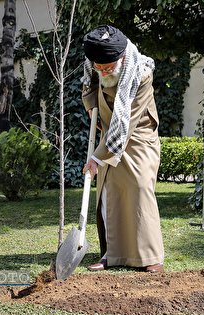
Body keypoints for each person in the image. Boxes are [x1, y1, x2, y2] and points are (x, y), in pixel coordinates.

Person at [81, 25, 164, 273]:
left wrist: (96, 158)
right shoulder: (94, 61)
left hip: (138, 134)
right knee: (109, 192)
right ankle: (111, 254)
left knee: (139, 187)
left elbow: (126, 123)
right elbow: (89, 86)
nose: (104, 71)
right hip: (109, 129)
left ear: (122, 57)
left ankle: (150, 257)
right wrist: (89, 106)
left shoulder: (141, 74)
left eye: (109, 68)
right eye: (100, 68)